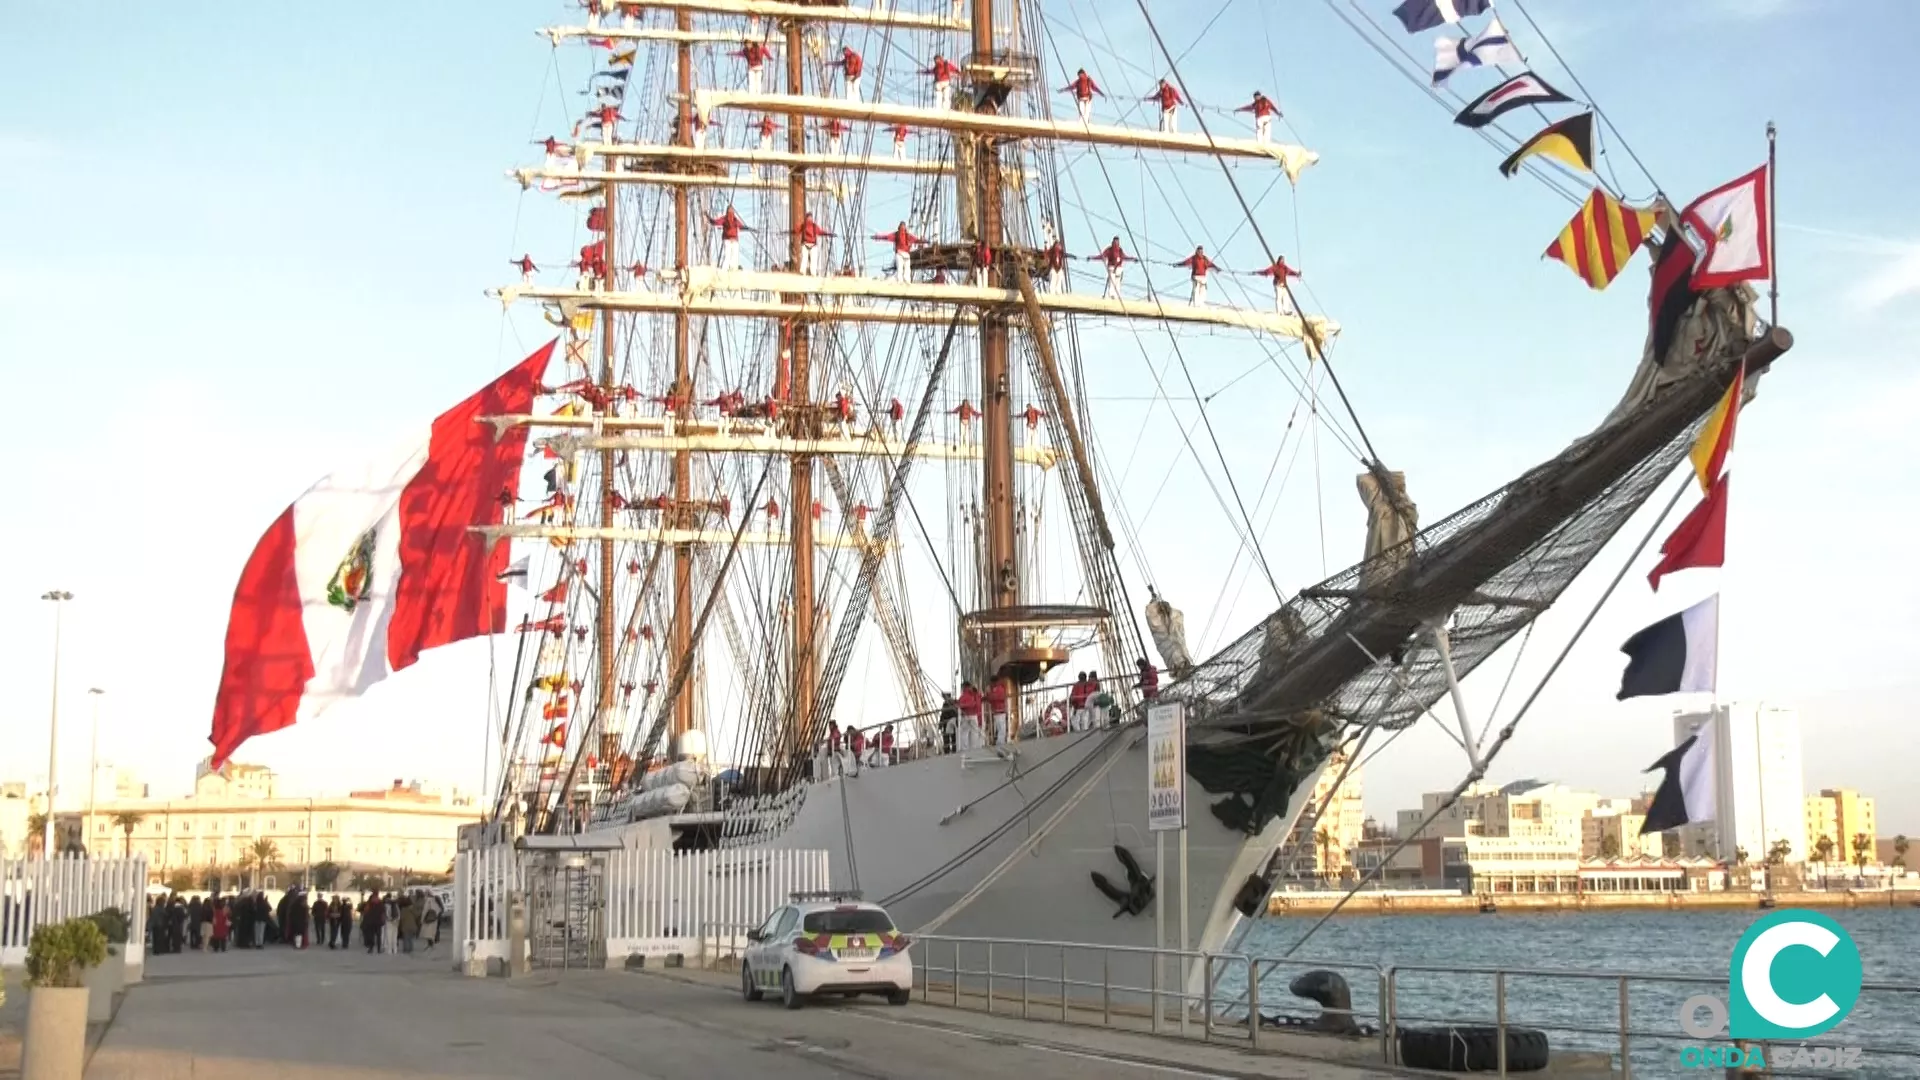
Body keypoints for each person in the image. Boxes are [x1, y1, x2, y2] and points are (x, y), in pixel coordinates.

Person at [710, 205, 751, 271]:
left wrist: (746, 227)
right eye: (730, 210)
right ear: (727, 211)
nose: (731, 211)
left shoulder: (734, 219)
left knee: (734, 256)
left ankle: (732, 269)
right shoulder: (725, 219)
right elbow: (716, 222)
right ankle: (725, 269)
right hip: (728, 240)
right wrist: (710, 220)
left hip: (733, 240)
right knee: (728, 255)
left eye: (732, 210)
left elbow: (740, 226)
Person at [957, 681, 983, 751]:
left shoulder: (963, 696)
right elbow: (978, 703)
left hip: (966, 716)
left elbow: (959, 704)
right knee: (974, 733)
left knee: (964, 733)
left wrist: (961, 705)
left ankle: (964, 749)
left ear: (964, 687)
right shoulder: (975, 694)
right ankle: (974, 749)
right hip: (974, 715)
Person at [985, 678, 1009, 745]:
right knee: (1002, 729)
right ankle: (1000, 743)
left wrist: (988, 693)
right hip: (999, 711)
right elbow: (997, 698)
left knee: (1001, 729)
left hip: (998, 711)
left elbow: (992, 698)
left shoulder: (996, 690)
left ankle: (1000, 743)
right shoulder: (999, 689)